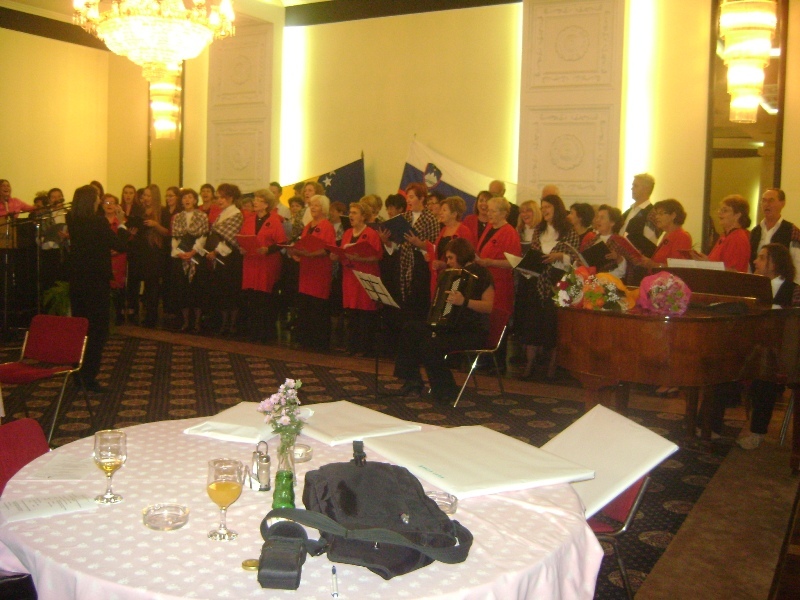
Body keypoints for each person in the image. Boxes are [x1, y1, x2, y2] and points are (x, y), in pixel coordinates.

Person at [394, 237, 494, 403]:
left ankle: (446, 390)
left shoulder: (483, 274)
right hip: (451, 327)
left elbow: (488, 307)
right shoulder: (451, 274)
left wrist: (464, 302)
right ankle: (412, 380)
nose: (448, 262)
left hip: (473, 331)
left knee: (430, 344)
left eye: (451, 258)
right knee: (410, 328)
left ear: (461, 255)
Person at [66, 185, 130, 392]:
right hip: (96, 282)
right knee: (97, 331)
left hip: (77, 281)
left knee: (80, 328)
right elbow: (120, 245)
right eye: (97, 198)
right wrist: (122, 224)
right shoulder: (98, 222)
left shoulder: (72, 220)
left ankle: (77, 373)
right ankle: (89, 377)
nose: (99, 201)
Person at [738, 244, 800, 449]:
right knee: (723, 364)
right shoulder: (750, 287)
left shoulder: (794, 291)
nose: (755, 262)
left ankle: (757, 432)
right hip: (752, 346)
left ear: (775, 264)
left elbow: (794, 328)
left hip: (782, 354)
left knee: (765, 372)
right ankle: (710, 426)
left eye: (762, 258)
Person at [526, 194, 580, 378]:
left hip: (558, 282)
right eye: (542, 207)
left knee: (553, 324)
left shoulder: (568, 231)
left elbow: (575, 259)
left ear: (557, 208)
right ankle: (529, 365)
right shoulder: (538, 230)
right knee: (533, 323)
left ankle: (552, 367)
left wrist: (559, 256)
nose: (544, 210)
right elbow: (534, 254)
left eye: (548, 206)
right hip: (537, 281)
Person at [290, 194, 336, 351]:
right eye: (311, 205)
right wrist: (296, 252)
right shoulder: (308, 225)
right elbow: (303, 244)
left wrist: (310, 254)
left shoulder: (327, 226)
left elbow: (327, 248)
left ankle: (318, 342)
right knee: (305, 306)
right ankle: (305, 340)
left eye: (316, 205)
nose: (313, 208)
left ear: (324, 208)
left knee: (318, 307)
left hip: (319, 272)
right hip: (306, 271)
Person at [337, 199, 383, 355]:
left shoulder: (371, 234)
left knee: (365, 314)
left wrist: (359, 258)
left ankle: (365, 348)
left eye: (354, 213)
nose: (351, 216)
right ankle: (351, 346)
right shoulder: (347, 233)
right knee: (352, 313)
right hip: (350, 278)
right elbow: (343, 251)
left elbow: (377, 256)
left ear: (363, 216)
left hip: (365, 279)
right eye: (350, 213)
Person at [240, 188, 285, 343]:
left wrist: (267, 249)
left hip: (266, 264)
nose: (255, 202)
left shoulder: (274, 220)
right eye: (255, 199)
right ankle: (253, 332)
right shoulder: (249, 219)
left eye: (259, 200)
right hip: (251, 263)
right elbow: (243, 237)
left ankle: (266, 333)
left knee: (265, 299)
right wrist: (242, 247)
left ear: (266, 204)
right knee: (252, 298)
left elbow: (281, 243)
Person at [204, 183, 244, 334]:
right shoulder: (222, 213)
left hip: (230, 259)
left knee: (230, 292)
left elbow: (231, 240)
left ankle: (231, 325)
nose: (219, 200)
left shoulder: (236, 214)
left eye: (222, 197)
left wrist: (215, 252)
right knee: (221, 291)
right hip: (219, 258)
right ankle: (222, 323)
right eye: (218, 197)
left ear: (231, 198)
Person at [399, 183, 439, 321]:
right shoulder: (404, 217)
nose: (408, 200)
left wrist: (419, 243)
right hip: (404, 262)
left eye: (411, 197)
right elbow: (397, 243)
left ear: (421, 199)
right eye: (407, 197)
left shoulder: (431, 219)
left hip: (420, 265)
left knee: (418, 305)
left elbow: (435, 247)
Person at [170, 188, 209, 333]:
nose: (187, 200)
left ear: (195, 200)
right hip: (181, 258)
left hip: (197, 257)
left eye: (190, 197)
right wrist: (179, 253)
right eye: (184, 197)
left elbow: (203, 237)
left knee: (197, 290)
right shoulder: (177, 217)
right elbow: (175, 238)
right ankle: (185, 322)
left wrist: (193, 252)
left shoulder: (202, 216)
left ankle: (197, 323)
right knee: (183, 290)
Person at [425, 195, 476, 299]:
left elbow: (468, 259)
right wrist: (431, 256)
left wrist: (444, 264)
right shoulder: (444, 230)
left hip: (456, 279)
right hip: (442, 276)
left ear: (454, 214)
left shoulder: (464, 231)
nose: (440, 213)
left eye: (444, 210)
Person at [580, 205, 643, 282]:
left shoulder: (619, 241)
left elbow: (635, 263)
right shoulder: (592, 240)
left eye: (602, 218)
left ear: (612, 223)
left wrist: (618, 258)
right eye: (597, 217)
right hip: (589, 280)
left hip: (611, 281)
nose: (597, 220)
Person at [750, 188, 800, 283]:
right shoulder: (755, 232)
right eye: (764, 200)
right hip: (757, 284)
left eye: (771, 200)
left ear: (782, 203)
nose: (766, 204)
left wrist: (795, 288)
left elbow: (797, 264)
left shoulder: (792, 231)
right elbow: (749, 263)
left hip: (783, 286)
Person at [691, 195, 751, 272]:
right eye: (720, 210)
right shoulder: (724, 236)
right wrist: (704, 261)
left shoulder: (738, 238)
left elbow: (734, 272)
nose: (719, 213)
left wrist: (707, 264)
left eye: (725, 210)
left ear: (737, 215)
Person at [639, 199, 693, 270]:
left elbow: (678, 268)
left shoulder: (682, 236)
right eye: (656, 214)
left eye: (661, 214)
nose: (656, 217)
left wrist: (654, 265)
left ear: (673, 215)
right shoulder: (666, 235)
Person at [100, 194, 128, 324]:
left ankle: (118, 314)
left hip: (119, 256)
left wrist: (117, 250)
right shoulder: (99, 222)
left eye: (112, 202)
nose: (109, 205)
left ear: (117, 206)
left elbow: (126, 240)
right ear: (102, 205)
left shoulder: (122, 221)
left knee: (119, 284)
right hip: (104, 257)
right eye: (106, 202)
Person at [619, 173, 660, 257]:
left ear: (646, 189)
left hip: (638, 260)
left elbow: (649, 244)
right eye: (632, 185)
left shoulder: (652, 213)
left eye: (635, 186)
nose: (632, 188)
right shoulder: (628, 211)